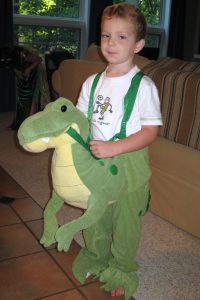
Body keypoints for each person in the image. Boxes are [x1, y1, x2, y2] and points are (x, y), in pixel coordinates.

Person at [73, 3, 162, 299]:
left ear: (138, 44)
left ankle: (122, 267)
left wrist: (115, 147)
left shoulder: (144, 86)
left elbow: (150, 131)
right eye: (106, 35)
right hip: (98, 161)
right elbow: (81, 121)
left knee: (125, 220)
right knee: (97, 213)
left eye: (122, 37)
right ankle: (96, 257)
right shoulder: (92, 82)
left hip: (130, 162)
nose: (111, 43)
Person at [8, 46, 50, 130]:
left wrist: (29, 69)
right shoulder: (11, 59)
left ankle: (31, 122)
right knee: (21, 101)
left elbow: (39, 59)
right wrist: (18, 72)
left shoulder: (26, 55)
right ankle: (19, 122)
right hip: (23, 80)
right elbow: (13, 67)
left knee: (32, 99)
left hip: (32, 79)